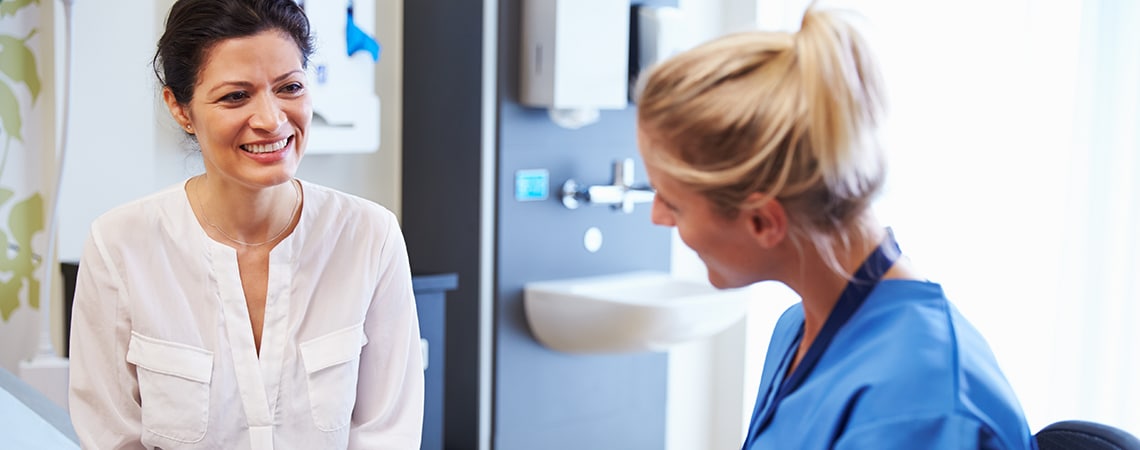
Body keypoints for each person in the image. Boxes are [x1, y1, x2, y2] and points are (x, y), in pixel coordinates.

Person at [634, 6, 1038, 450]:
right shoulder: (799, 331)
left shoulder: (923, 408)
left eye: (672, 202)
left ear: (762, 221)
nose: (658, 217)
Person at [67, 0, 423, 448]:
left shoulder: (370, 237)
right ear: (180, 109)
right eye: (236, 95)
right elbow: (111, 436)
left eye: (289, 87)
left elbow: (387, 434)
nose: (271, 120)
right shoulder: (120, 245)